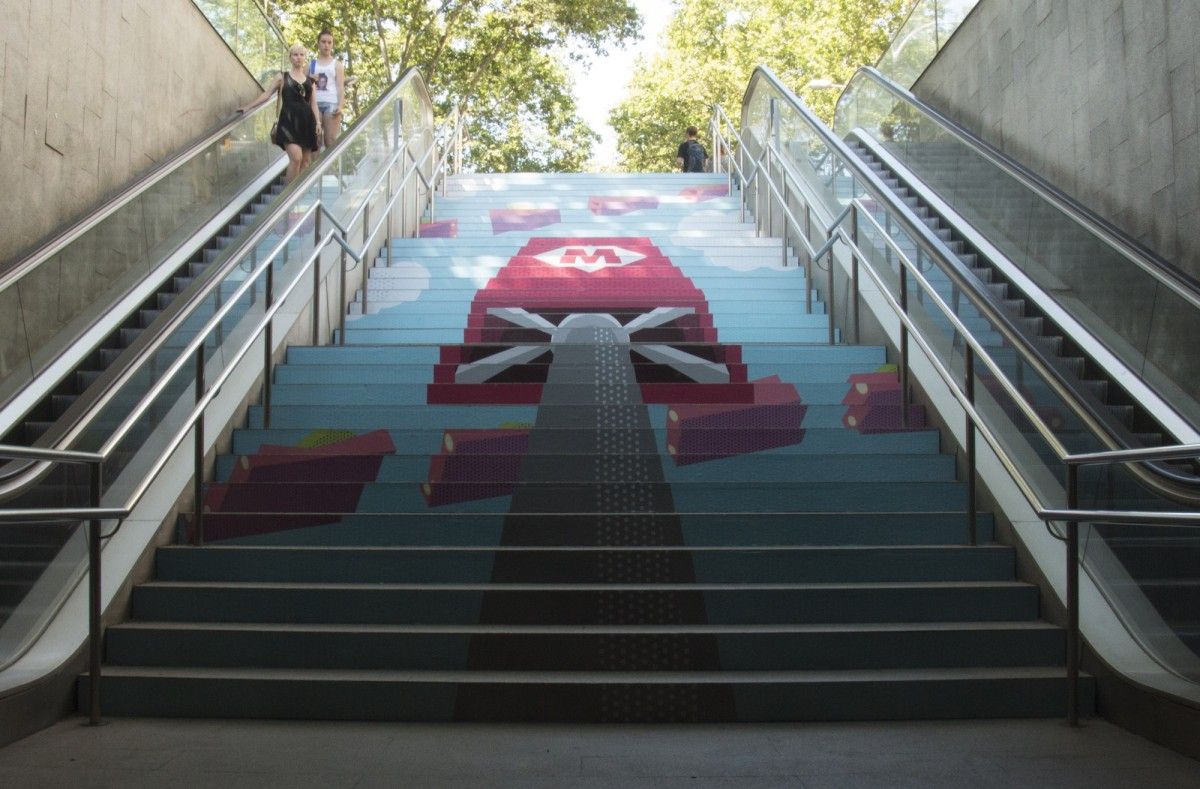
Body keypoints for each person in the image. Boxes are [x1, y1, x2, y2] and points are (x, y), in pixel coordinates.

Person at [244, 44, 322, 182]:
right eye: (295, 55)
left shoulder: (311, 81)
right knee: (296, 158)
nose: (299, 58)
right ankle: (287, 197)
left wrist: (318, 123)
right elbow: (267, 94)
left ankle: (296, 197)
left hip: (307, 122)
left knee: (305, 162)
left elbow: (314, 104)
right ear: (290, 57)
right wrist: (248, 107)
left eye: (301, 55)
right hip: (288, 122)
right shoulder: (282, 77)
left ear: (305, 58)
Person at [309, 29, 346, 149]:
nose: (326, 45)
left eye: (329, 42)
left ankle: (331, 168)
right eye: (323, 42)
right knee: (315, 140)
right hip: (314, 104)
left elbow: (340, 87)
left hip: (331, 104)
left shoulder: (337, 64)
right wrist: (309, 78)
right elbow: (301, 82)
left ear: (332, 44)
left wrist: (340, 106)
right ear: (318, 43)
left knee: (330, 141)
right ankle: (314, 168)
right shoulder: (311, 64)